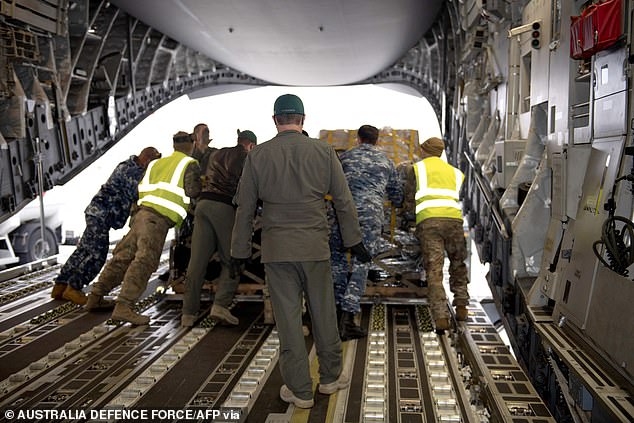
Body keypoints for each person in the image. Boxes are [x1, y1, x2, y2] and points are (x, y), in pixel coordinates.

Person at [231, 94, 371, 409]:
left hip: (277, 250)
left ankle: (300, 391)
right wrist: (354, 240)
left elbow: (245, 208)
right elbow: (344, 201)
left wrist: (239, 251)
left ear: (275, 120)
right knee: (323, 312)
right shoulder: (323, 151)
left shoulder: (258, 156)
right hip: (315, 247)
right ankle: (331, 376)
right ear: (303, 120)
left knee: (289, 320)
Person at [86, 131, 201, 324]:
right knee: (144, 261)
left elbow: (140, 188)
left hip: (141, 215)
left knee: (122, 257)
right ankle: (124, 306)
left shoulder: (156, 163)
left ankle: (95, 296)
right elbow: (193, 191)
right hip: (157, 221)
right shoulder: (189, 164)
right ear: (192, 145)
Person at [51, 147, 161, 306]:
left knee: (84, 250)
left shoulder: (126, 165)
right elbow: (139, 194)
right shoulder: (132, 172)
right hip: (101, 216)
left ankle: (61, 285)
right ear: (148, 160)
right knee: (98, 254)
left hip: (96, 213)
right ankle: (73, 288)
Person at [330, 125, 403, 340]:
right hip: (370, 217)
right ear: (377, 140)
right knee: (361, 263)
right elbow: (397, 195)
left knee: (338, 261)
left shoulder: (344, 158)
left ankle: (333, 316)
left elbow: (329, 185)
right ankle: (347, 317)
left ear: (358, 139)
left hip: (343, 214)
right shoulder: (386, 162)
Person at [181, 129, 258, 328]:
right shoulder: (246, 157)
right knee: (233, 259)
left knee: (197, 262)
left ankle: (188, 314)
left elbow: (200, 173)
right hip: (224, 207)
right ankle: (221, 306)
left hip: (203, 206)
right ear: (251, 145)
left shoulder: (217, 154)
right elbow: (248, 188)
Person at [405, 137, 469, 332]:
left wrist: (409, 219)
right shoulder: (456, 173)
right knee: (458, 264)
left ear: (425, 151)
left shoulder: (416, 169)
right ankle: (461, 307)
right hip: (454, 221)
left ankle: (441, 316)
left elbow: (409, 199)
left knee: (434, 270)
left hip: (429, 223)